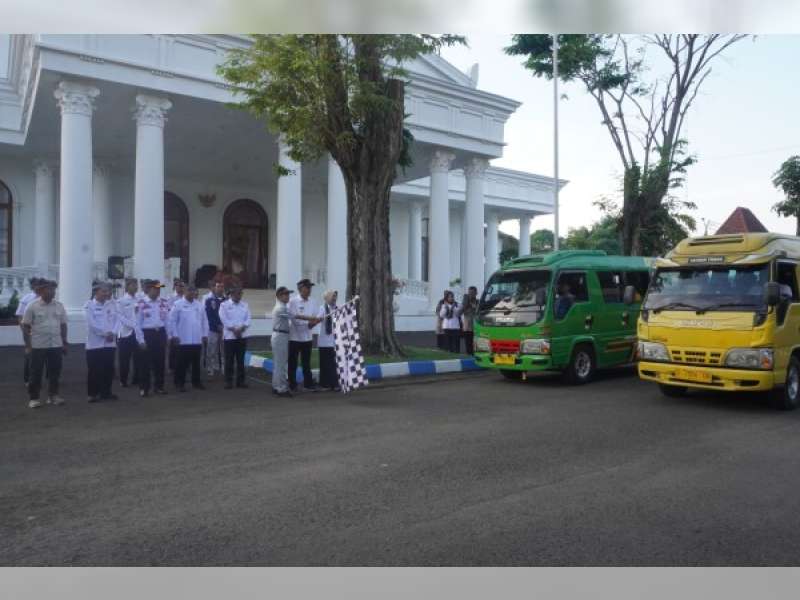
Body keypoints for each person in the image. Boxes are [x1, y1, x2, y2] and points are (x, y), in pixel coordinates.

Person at [21, 280, 67, 409]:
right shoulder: (32, 306)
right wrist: (28, 345)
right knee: (35, 373)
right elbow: (25, 326)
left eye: (53, 289)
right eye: (49, 289)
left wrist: (64, 342)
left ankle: (53, 396)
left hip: (56, 344)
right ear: (41, 291)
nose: (52, 292)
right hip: (38, 345)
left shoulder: (59, 305)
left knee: (55, 372)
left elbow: (63, 325)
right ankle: (34, 398)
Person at [168, 284, 209, 392]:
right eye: (189, 291)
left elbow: (205, 321)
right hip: (183, 339)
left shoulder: (199, 305)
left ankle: (196, 382)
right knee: (181, 363)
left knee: (196, 363)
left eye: (193, 291)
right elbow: (172, 321)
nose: (192, 293)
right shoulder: (177, 304)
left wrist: (205, 334)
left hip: (196, 339)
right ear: (185, 292)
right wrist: (175, 335)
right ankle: (179, 383)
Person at [85, 281, 119, 403]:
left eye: (107, 291)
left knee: (108, 369)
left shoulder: (111, 305)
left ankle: (106, 392)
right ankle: (92, 394)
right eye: (103, 291)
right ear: (96, 292)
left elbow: (117, 320)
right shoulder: (89, 305)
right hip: (95, 344)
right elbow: (92, 324)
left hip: (110, 343)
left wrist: (113, 333)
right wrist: (105, 334)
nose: (106, 293)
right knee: (94, 370)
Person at [137, 279, 170, 397]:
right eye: (156, 289)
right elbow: (137, 323)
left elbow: (167, 320)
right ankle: (144, 388)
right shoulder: (141, 303)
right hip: (147, 333)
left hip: (160, 333)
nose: (158, 291)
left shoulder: (164, 302)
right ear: (150, 289)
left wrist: (168, 336)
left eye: (159, 289)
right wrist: (141, 340)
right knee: (145, 363)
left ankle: (159, 386)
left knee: (160, 362)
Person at [288, 278, 320, 392]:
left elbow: (316, 316)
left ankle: (308, 383)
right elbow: (294, 319)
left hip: (307, 337)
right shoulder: (293, 302)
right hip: (295, 338)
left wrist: (313, 323)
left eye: (310, 287)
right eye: (307, 287)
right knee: (293, 363)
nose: (309, 290)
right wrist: (309, 323)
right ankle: (292, 384)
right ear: (300, 289)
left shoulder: (313, 301)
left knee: (306, 362)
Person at [219, 286, 251, 389]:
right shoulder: (224, 305)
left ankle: (240, 381)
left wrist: (241, 328)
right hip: (230, 336)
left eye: (241, 294)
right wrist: (234, 329)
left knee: (241, 359)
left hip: (242, 335)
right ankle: (228, 381)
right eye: (238, 294)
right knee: (229, 359)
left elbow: (248, 319)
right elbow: (223, 319)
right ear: (232, 294)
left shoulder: (245, 305)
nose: (239, 296)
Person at [17, 277, 42, 387]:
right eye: (36, 285)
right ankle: (28, 379)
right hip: (30, 331)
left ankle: (46, 378)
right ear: (32, 286)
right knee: (30, 355)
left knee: (45, 355)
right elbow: (20, 316)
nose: (38, 287)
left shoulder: (46, 298)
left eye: (40, 285)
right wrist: (25, 332)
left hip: (44, 332)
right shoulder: (26, 299)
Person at [117, 278, 142, 388]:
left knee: (138, 358)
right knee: (124, 359)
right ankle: (123, 380)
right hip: (125, 333)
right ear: (127, 287)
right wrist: (133, 324)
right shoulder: (121, 301)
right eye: (133, 285)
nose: (135, 287)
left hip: (137, 334)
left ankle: (136, 379)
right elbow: (120, 316)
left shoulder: (140, 300)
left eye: (136, 285)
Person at [316, 289, 340, 392]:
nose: (334, 298)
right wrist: (321, 318)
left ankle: (335, 384)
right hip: (324, 341)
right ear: (326, 298)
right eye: (332, 296)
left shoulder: (339, 308)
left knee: (334, 364)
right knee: (325, 364)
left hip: (335, 341)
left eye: (335, 296)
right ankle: (325, 384)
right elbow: (317, 319)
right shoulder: (322, 308)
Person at [271, 286, 292, 397]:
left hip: (280, 334)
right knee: (281, 363)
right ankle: (282, 388)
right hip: (280, 335)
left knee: (278, 363)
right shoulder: (281, 308)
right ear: (279, 296)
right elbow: (295, 317)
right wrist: (311, 318)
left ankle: (276, 386)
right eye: (285, 294)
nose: (288, 296)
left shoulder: (283, 306)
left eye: (288, 294)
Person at [204, 280, 226, 378]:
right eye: (218, 286)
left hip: (225, 329)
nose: (220, 288)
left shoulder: (227, 300)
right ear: (214, 288)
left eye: (222, 286)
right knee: (211, 349)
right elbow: (209, 315)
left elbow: (228, 315)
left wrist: (224, 325)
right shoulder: (209, 300)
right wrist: (217, 325)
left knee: (224, 350)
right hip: (213, 328)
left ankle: (223, 368)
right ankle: (210, 368)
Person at [167, 279, 186, 376]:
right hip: (174, 324)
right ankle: (171, 367)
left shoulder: (185, 297)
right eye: (179, 286)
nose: (181, 288)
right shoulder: (170, 297)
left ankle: (183, 366)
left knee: (184, 347)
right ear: (175, 287)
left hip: (183, 325)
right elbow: (169, 312)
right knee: (173, 348)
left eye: (182, 286)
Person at [461, 286, 479, 354]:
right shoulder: (465, 303)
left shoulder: (478, 302)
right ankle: (468, 354)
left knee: (476, 343)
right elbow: (460, 311)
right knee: (468, 344)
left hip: (476, 327)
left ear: (476, 293)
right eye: (469, 293)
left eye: (472, 293)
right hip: (467, 327)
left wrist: (474, 307)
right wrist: (466, 302)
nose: (470, 294)